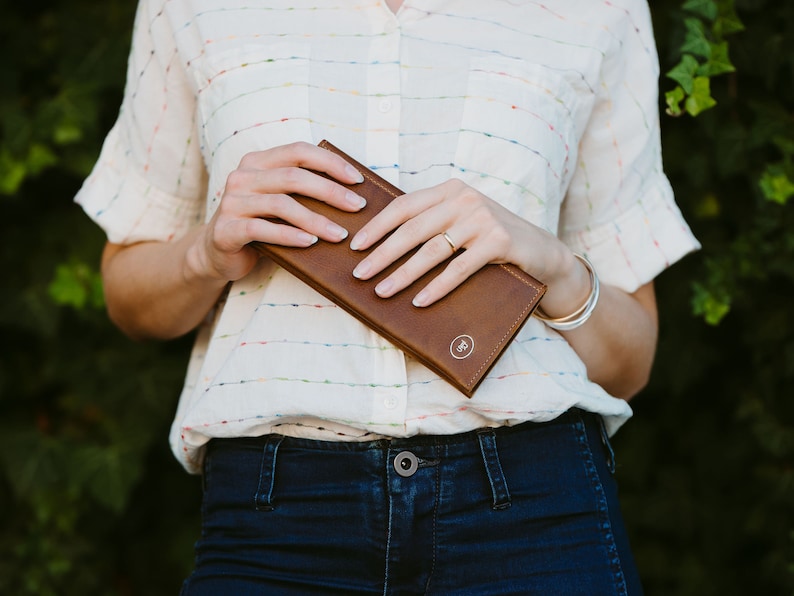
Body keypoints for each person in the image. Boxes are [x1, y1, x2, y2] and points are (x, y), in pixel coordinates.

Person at [75, 0, 700, 593]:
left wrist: (556, 267)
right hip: (277, 523)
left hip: (534, 511)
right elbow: (130, 300)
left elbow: (630, 361)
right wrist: (204, 252)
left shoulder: (597, 10)